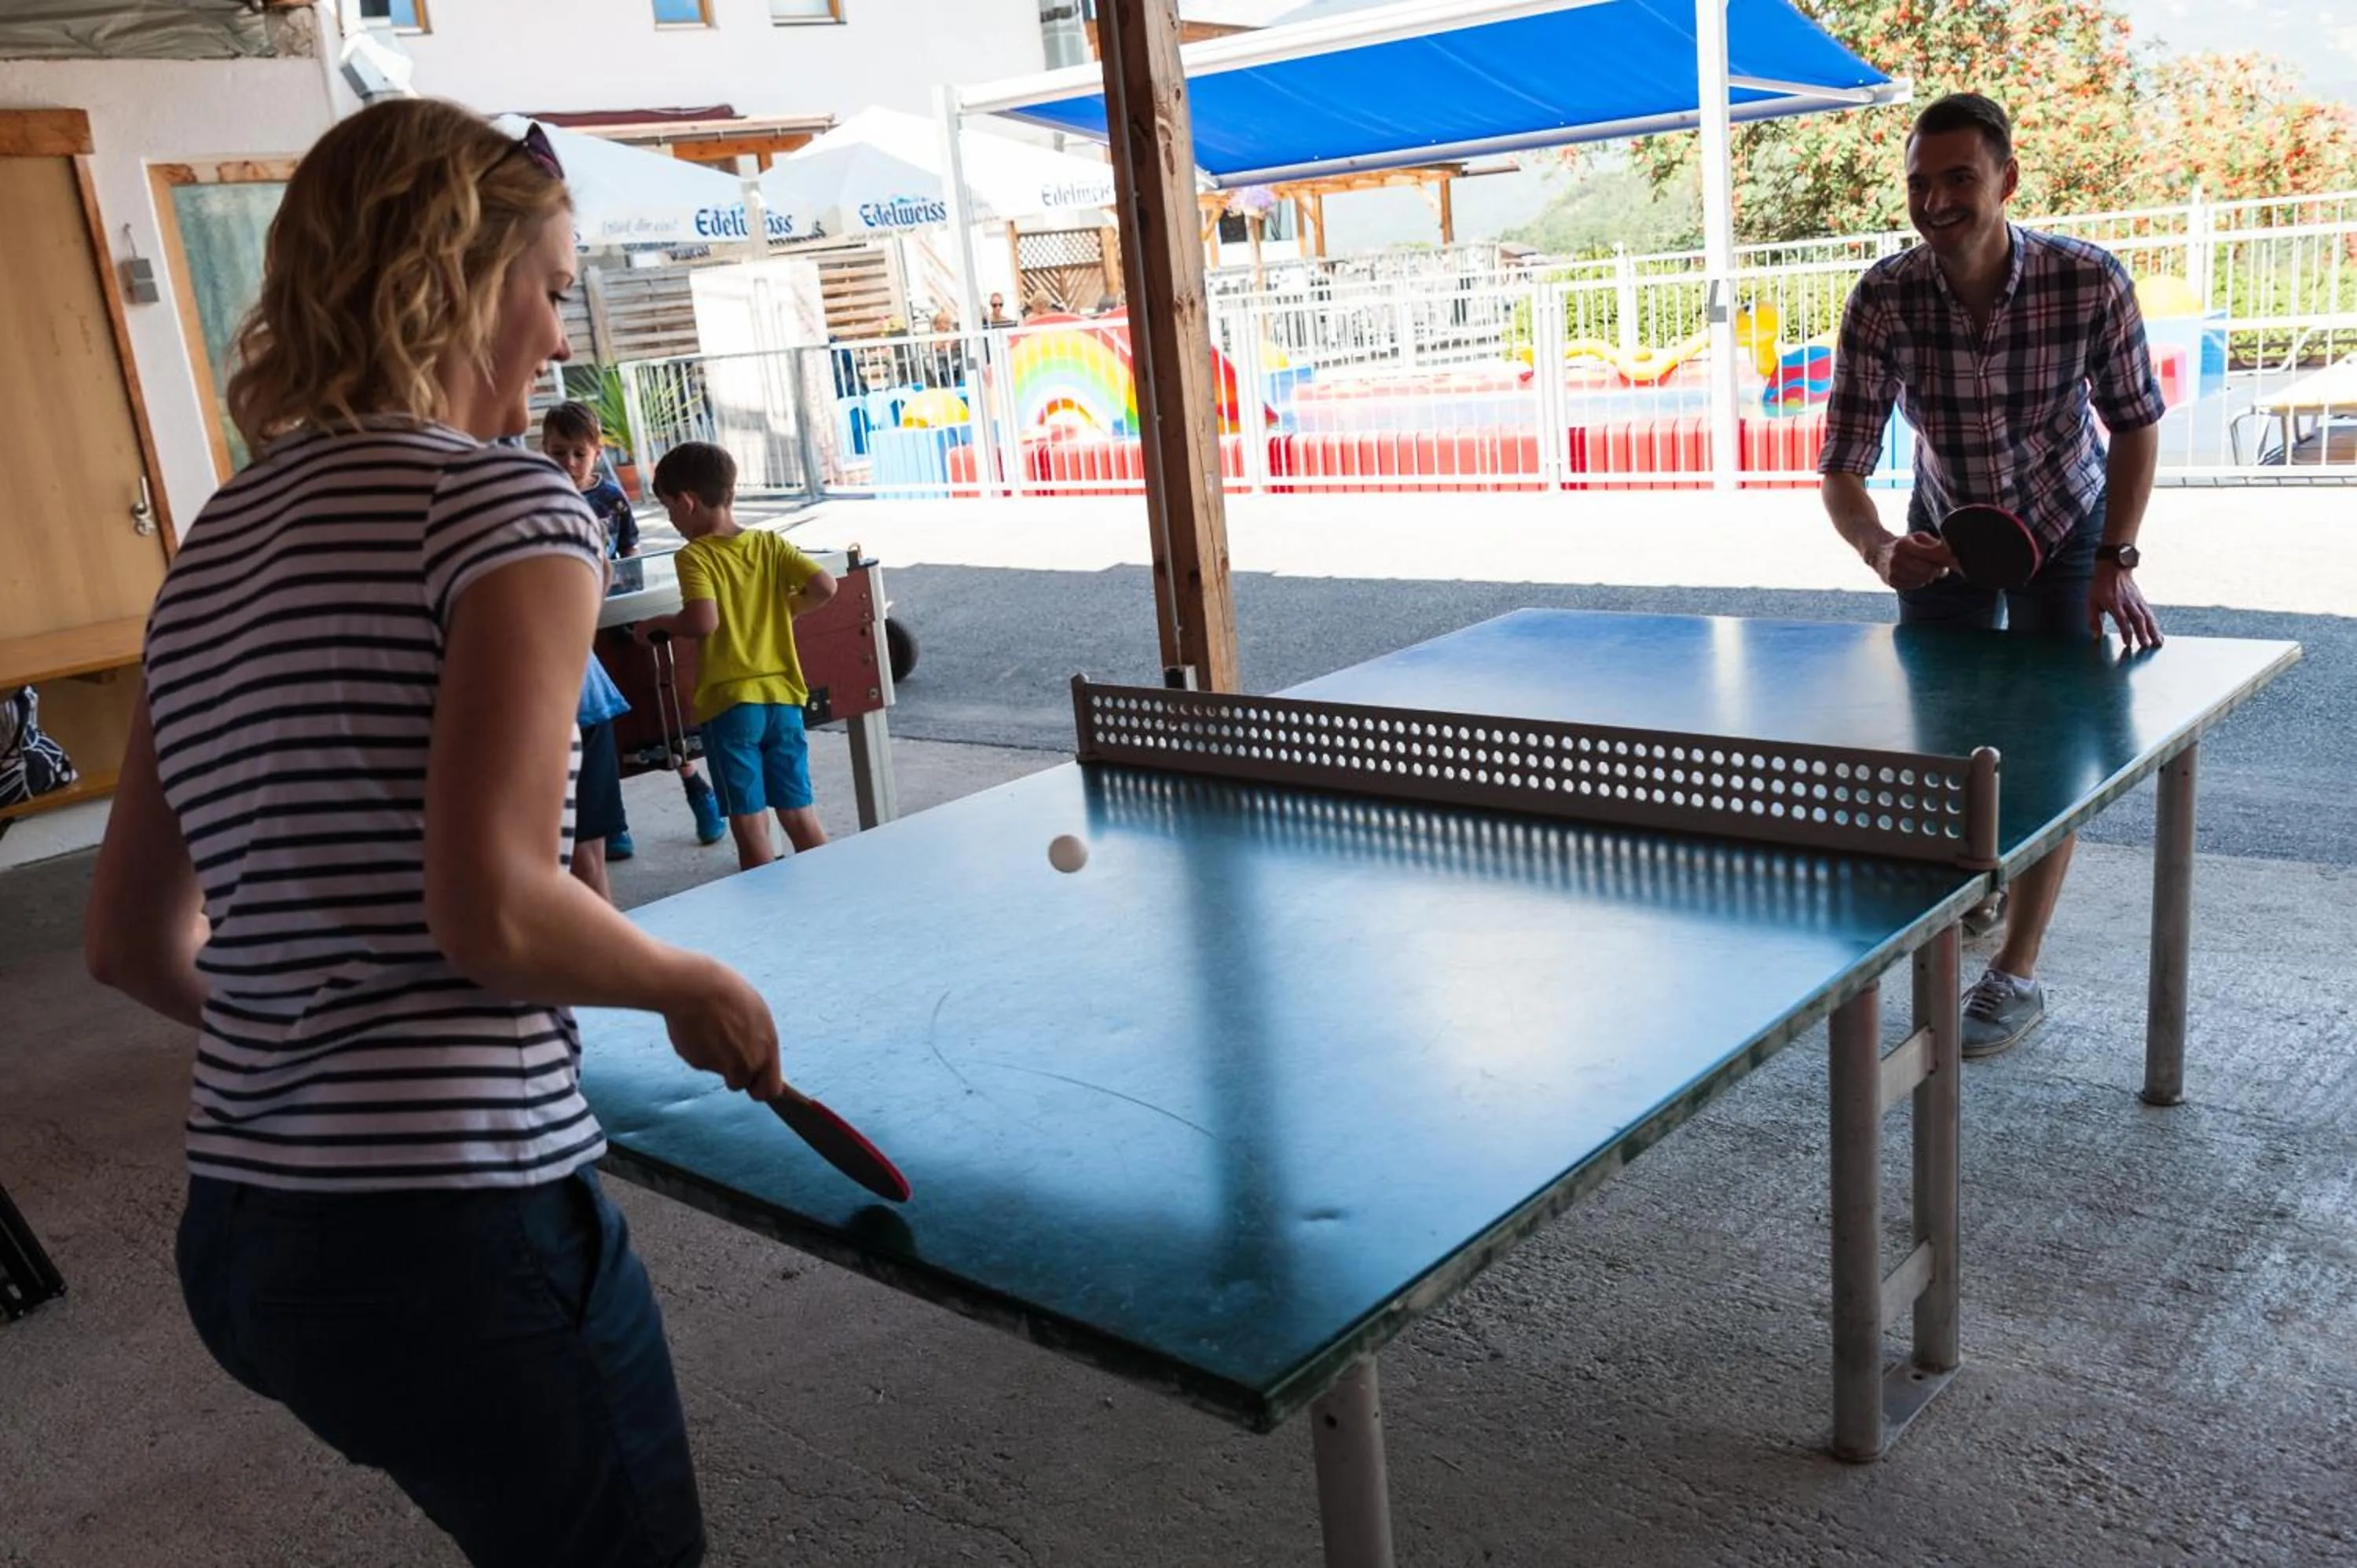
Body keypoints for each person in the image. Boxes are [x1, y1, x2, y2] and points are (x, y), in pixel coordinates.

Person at [82, 100, 786, 1568]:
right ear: (455, 283)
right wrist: (690, 982)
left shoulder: (218, 534)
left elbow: (133, 941)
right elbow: (497, 913)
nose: (556, 337)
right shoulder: (507, 511)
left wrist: (314, 1038)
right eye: (545, 288)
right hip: (453, 1233)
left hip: (249, 1241)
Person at [1817, 90, 2166, 1059]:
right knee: (1950, 748)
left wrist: (2114, 558)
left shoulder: (2087, 279)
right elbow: (1841, 466)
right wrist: (1885, 549)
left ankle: (2014, 971)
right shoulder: (1883, 297)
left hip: (2067, 525)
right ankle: (1974, 883)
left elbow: (2135, 423)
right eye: (1921, 183)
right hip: (1947, 532)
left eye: (1959, 179)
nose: (1936, 201)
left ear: (2006, 179)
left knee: (2050, 754)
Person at [632, 442, 835, 873]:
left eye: (669, 511)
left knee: (750, 824)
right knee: (800, 813)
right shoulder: (769, 544)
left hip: (731, 706)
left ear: (686, 502)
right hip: (784, 699)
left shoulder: (695, 555)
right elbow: (825, 586)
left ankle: (766, 919)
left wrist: (659, 624)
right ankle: (833, 897)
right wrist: (788, 607)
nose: (672, 522)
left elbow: (703, 621)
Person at [541, 400, 729, 856]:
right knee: (602, 729)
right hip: (576, 626)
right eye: (557, 452)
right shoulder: (542, 495)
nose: (568, 463)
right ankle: (614, 824)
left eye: (578, 454)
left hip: (614, 614)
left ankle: (696, 788)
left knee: (654, 704)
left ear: (596, 451)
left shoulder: (608, 497)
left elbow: (629, 554)